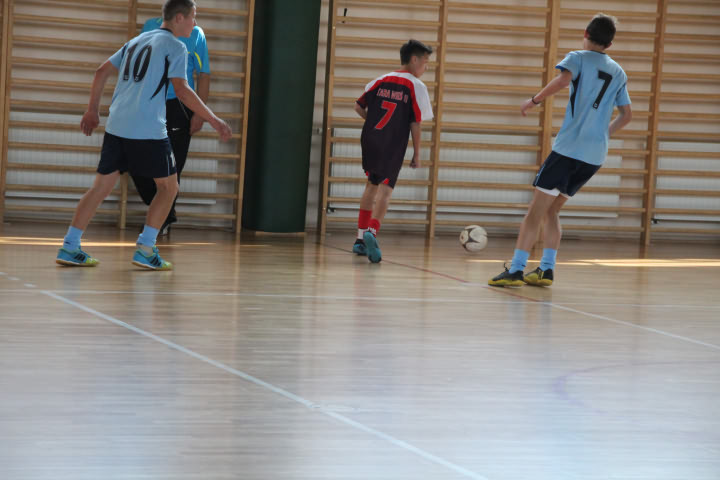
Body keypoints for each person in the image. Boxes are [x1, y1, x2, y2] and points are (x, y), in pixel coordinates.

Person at [55, 0, 231, 271]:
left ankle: (69, 245)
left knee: (100, 187)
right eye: (193, 17)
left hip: (116, 125)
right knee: (169, 188)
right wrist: (214, 119)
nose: (195, 23)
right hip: (147, 128)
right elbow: (182, 90)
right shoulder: (176, 47)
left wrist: (92, 111)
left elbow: (101, 72)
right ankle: (146, 249)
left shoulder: (136, 41)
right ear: (179, 18)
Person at [489, 13, 632, 287]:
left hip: (568, 150)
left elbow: (563, 80)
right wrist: (603, 134)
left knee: (535, 212)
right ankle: (546, 269)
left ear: (585, 33)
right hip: (594, 157)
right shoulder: (619, 72)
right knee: (552, 211)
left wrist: (533, 101)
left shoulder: (577, 58)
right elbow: (626, 115)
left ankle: (516, 270)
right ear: (610, 44)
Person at [352, 39, 434, 263]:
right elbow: (416, 123)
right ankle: (372, 231)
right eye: (425, 62)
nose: (426, 67)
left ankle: (359, 239)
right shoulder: (416, 86)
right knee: (386, 190)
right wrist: (417, 154)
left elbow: (358, 106)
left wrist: (373, 122)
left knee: (371, 185)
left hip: (370, 139)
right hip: (392, 143)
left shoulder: (380, 80)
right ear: (414, 60)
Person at [131, 15, 211, 235]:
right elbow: (139, 65)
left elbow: (203, 74)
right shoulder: (150, 26)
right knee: (136, 161)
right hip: (150, 104)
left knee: (172, 167)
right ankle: (165, 212)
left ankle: (160, 221)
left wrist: (200, 113)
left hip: (179, 107)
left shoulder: (196, 34)